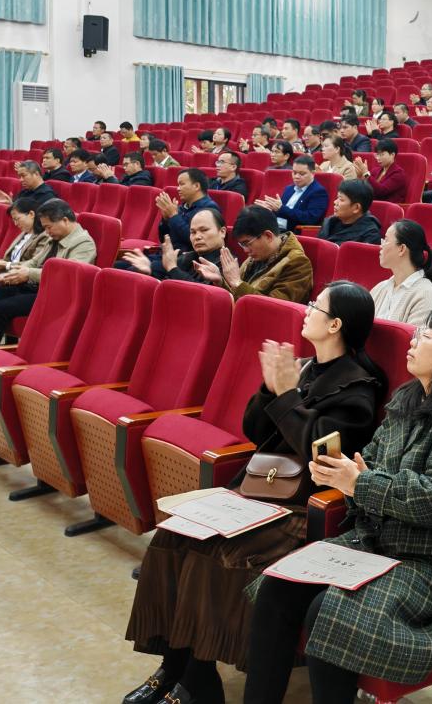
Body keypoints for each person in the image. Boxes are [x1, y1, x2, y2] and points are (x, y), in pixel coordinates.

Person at [125, 282, 385, 704]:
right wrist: (270, 389)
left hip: (298, 507)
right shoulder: (304, 368)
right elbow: (255, 430)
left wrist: (285, 395)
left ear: (335, 324)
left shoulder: (359, 388)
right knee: (173, 536)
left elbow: (319, 449)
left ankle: (198, 679)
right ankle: (173, 667)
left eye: (315, 306)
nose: (306, 310)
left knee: (217, 557)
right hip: (258, 490)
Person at [243, 308, 432, 704]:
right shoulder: (407, 401)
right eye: (416, 333)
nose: (413, 341)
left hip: (424, 562)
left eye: (427, 336)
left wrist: (359, 482)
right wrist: (343, 477)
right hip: (371, 543)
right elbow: (369, 463)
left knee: (328, 610)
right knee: (278, 585)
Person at [0, 199, 97, 347]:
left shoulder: (84, 244)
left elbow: (66, 275)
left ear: (65, 220)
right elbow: (34, 262)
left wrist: (29, 273)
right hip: (32, 286)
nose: (47, 232)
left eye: (49, 227)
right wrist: (11, 270)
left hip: (52, 294)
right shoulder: (56, 236)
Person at [197, 205, 313, 303]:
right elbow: (237, 295)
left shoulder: (298, 263)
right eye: (242, 245)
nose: (245, 250)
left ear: (268, 236)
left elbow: (275, 310)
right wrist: (220, 281)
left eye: (247, 243)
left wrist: (237, 283)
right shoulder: (257, 255)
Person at [121, 209, 227, 284]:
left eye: (204, 230)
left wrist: (172, 268)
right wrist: (148, 272)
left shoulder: (228, 265)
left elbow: (202, 293)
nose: (197, 237)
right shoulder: (188, 257)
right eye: (193, 232)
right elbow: (163, 281)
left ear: (222, 232)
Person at [370, 219, 432, 325]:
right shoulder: (380, 288)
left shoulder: (427, 295)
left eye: (386, 240)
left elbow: (415, 335)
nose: (381, 246)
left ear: (402, 249)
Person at [157, 168, 221, 255]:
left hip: (187, 257)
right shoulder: (181, 207)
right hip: (168, 253)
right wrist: (165, 220)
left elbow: (195, 239)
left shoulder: (209, 208)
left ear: (196, 186)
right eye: (178, 185)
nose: (178, 188)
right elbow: (164, 239)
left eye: (182, 184)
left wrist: (173, 216)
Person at [319, 179, 381, 245]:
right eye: (337, 198)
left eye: (341, 200)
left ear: (356, 208)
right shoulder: (329, 223)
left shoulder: (370, 235)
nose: (335, 202)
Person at [352, 138, 406, 203]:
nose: (378, 158)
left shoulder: (398, 174)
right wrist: (360, 177)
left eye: (382, 155)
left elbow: (381, 191)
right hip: (371, 204)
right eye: (377, 154)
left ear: (392, 155)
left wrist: (366, 173)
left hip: (387, 207)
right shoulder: (375, 170)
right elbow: (365, 190)